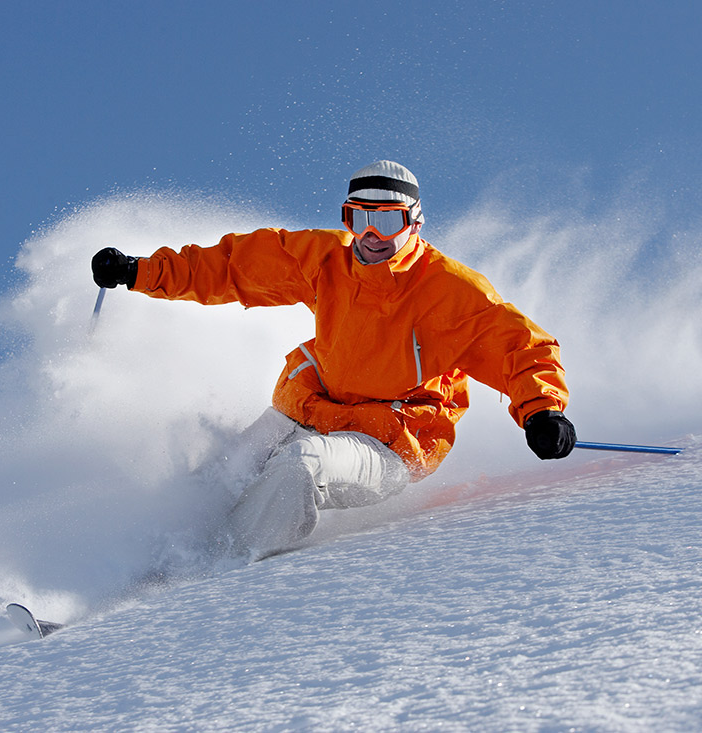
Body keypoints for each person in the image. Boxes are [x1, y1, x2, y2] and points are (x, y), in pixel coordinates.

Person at [92, 161, 574, 561]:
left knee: (299, 467)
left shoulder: (448, 290)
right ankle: (127, 573)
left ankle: (209, 573)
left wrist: (542, 411)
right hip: (308, 409)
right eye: (358, 219)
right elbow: (236, 266)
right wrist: (140, 271)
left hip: (392, 437)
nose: (372, 235)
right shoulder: (327, 259)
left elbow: (520, 346)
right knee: (217, 479)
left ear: (414, 222)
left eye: (388, 221)